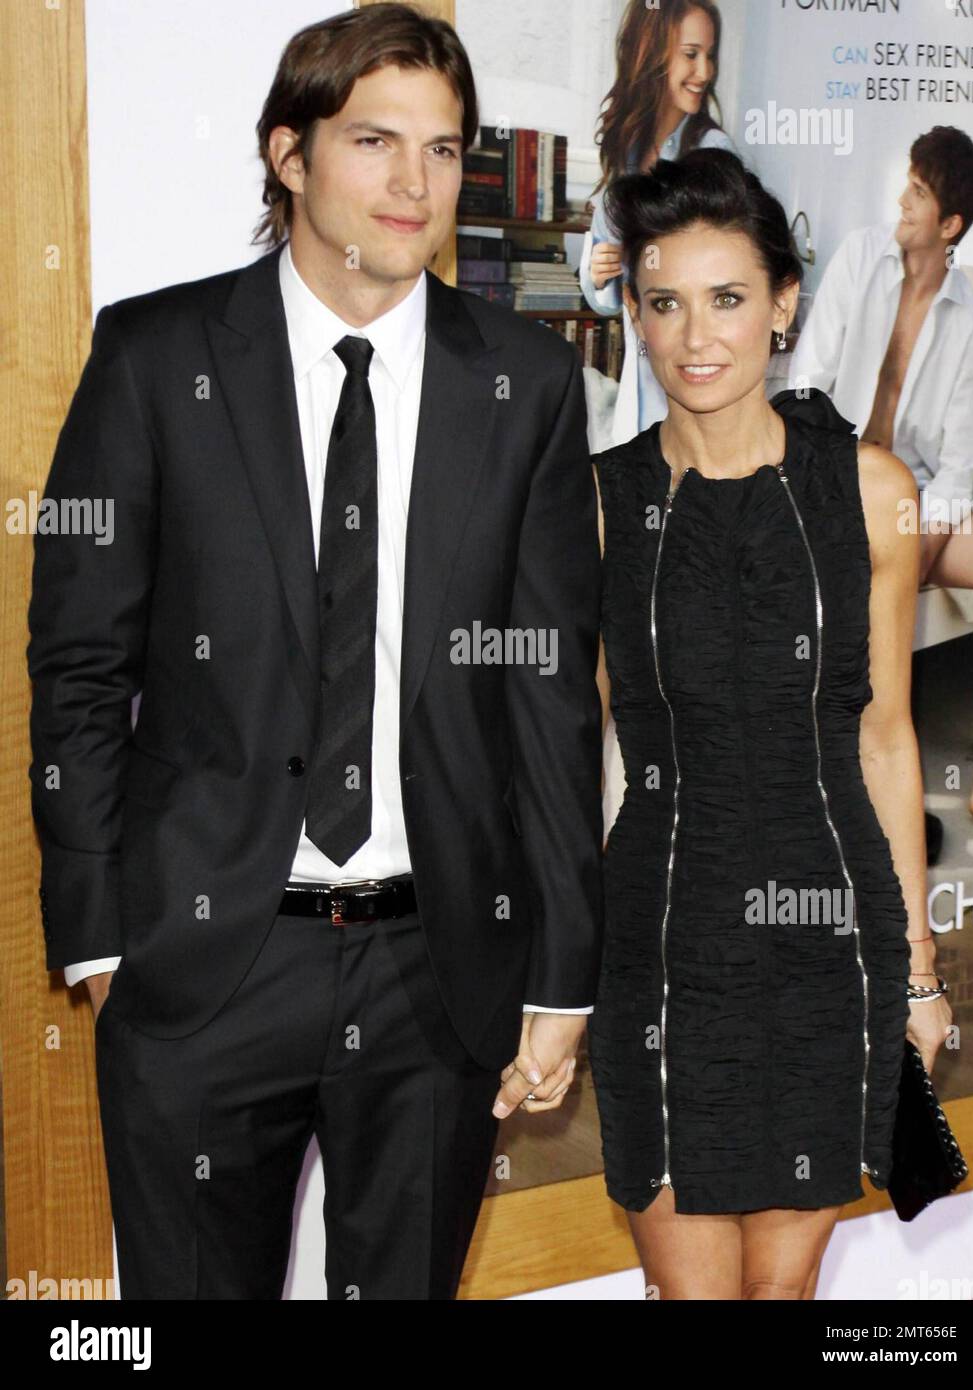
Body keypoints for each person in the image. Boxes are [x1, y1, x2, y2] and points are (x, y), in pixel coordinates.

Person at [27, 4, 603, 1301]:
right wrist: (101, 931)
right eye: (373, 141)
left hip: (435, 973)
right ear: (287, 154)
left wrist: (562, 964)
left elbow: (550, 693)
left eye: (445, 151)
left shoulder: (524, 385)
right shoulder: (156, 356)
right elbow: (76, 661)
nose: (415, 184)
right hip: (201, 962)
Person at [589, 148, 953, 1300]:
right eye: (663, 302)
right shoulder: (596, 508)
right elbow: (582, 753)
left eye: (728, 298)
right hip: (660, 945)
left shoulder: (868, 493)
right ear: (633, 314)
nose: (696, 336)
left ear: (782, 305)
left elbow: (884, 740)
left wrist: (917, 975)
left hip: (825, 948)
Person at [789, 127, 973, 825]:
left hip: (917, 506)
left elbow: (961, 465)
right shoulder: (858, 259)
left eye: (918, 193)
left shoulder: (967, 323)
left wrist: (916, 545)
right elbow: (806, 386)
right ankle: (835, 765)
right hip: (838, 476)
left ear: (949, 225)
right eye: (906, 182)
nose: (901, 202)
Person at [579, 0, 738, 447]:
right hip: (641, 377)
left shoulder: (712, 151)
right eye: (691, 54)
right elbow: (604, 299)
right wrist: (599, 271)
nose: (704, 71)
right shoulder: (627, 150)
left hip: (695, 371)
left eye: (710, 55)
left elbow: (723, 269)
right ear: (652, 54)